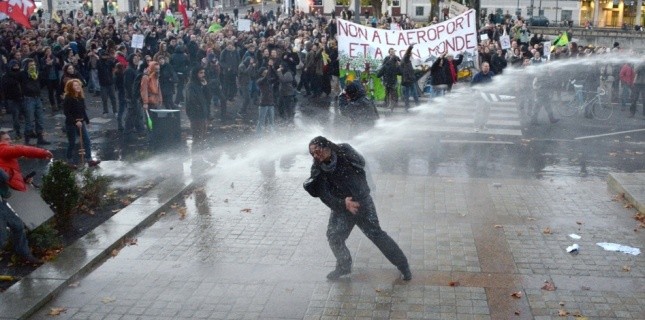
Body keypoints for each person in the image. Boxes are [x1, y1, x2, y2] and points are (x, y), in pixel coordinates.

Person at [303, 136, 411, 281]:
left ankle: (403, 266)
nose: (316, 155)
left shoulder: (344, 151)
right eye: (313, 153)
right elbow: (324, 195)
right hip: (342, 207)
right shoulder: (317, 168)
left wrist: (361, 193)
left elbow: (362, 165)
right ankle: (344, 266)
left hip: (362, 203)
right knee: (334, 236)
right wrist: (343, 203)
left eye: (318, 150)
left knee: (376, 235)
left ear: (327, 146)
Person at [0, 131, 54, 264]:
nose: (10, 141)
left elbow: (8, 175)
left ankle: (24, 255)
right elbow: (21, 149)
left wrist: (22, 180)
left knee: (17, 226)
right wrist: (43, 153)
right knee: (2, 236)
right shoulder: (2, 149)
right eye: (7, 139)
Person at [62, 79, 100, 167]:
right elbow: (67, 113)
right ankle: (69, 160)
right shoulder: (68, 98)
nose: (78, 87)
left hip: (81, 122)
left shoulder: (80, 97)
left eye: (78, 85)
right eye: (75, 85)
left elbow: (83, 110)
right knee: (72, 142)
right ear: (71, 87)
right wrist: (75, 121)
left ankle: (89, 159)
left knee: (87, 140)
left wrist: (87, 121)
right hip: (71, 124)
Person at [20, 58, 51, 145]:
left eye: (34, 65)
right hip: (28, 98)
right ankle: (27, 140)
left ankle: (40, 138)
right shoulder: (23, 74)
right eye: (30, 65)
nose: (33, 66)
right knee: (29, 120)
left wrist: (48, 66)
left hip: (37, 97)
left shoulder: (36, 74)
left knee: (40, 119)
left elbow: (44, 75)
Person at [185, 67, 212, 150]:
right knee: (197, 137)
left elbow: (208, 97)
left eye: (203, 72)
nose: (203, 75)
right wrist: (198, 108)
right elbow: (192, 99)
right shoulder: (191, 85)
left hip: (203, 114)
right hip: (196, 115)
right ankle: (196, 158)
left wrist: (206, 86)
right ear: (195, 74)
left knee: (203, 136)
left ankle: (200, 156)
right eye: (201, 73)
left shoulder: (201, 84)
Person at [471, 62, 495, 131]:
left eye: (488, 66)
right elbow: (472, 85)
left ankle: (483, 125)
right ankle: (476, 126)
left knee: (486, 111)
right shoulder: (477, 76)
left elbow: (495, 84)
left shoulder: (491, 74)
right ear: (482, 67)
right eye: (485, 66)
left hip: (488, 96)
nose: (486, 68)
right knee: (478, 111)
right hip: (480, 96)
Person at [256, 66, 277, 136]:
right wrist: (270, 68)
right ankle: (259, 136)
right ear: (261, 73)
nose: (267, 73)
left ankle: (273, 135)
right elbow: (265, 78)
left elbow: (277, 78)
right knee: (261, 121)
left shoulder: (269, 80)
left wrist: (272, 68)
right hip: (263, 103)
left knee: (272, 121)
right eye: (265, 72)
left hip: (270, 103)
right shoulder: (259, 81)